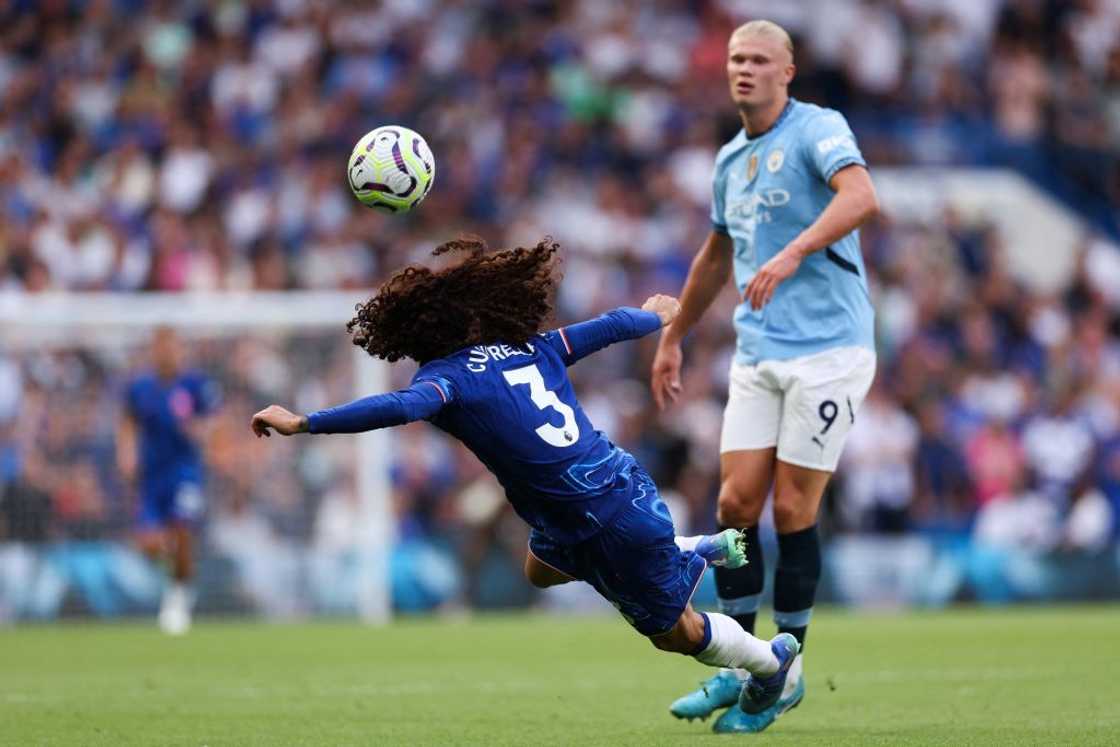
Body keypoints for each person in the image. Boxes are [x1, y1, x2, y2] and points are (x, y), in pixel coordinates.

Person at [250, 237, 799, 711]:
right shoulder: (528, 346)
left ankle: (769, 665)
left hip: (603, 517)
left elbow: (394, 409)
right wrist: (652, 317)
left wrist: (306, 422)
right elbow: (605, 327)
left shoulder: (446, 381)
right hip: (607, 491)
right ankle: (686, 548)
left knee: (676, 634)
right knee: (538, 569)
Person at [650, 20, 879, 733]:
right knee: (733, 504)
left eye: (758, 60)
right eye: (735, 59)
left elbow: (862, 195)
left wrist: (792, 253)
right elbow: (715, 256)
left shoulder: (817, 129)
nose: (743, 70)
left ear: (788, 70)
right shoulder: (728, 160)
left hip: (830, 349)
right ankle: (748, 664)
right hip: (759, 352)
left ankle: (791, 669)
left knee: (792, 510)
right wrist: (675, 335)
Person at [118, 327, 220, 634]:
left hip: (184, 472)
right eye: (161, 347)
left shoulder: (196, 384)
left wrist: (197, 429)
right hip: (151, 476)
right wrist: (126, 454)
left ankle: (179, 597)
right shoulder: (140, 387)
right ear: (154, 350)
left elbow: (215, 425)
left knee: (182, 530)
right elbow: (128, 424)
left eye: (173, 347)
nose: (167, 353)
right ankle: (178, 572)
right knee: (148, 543)